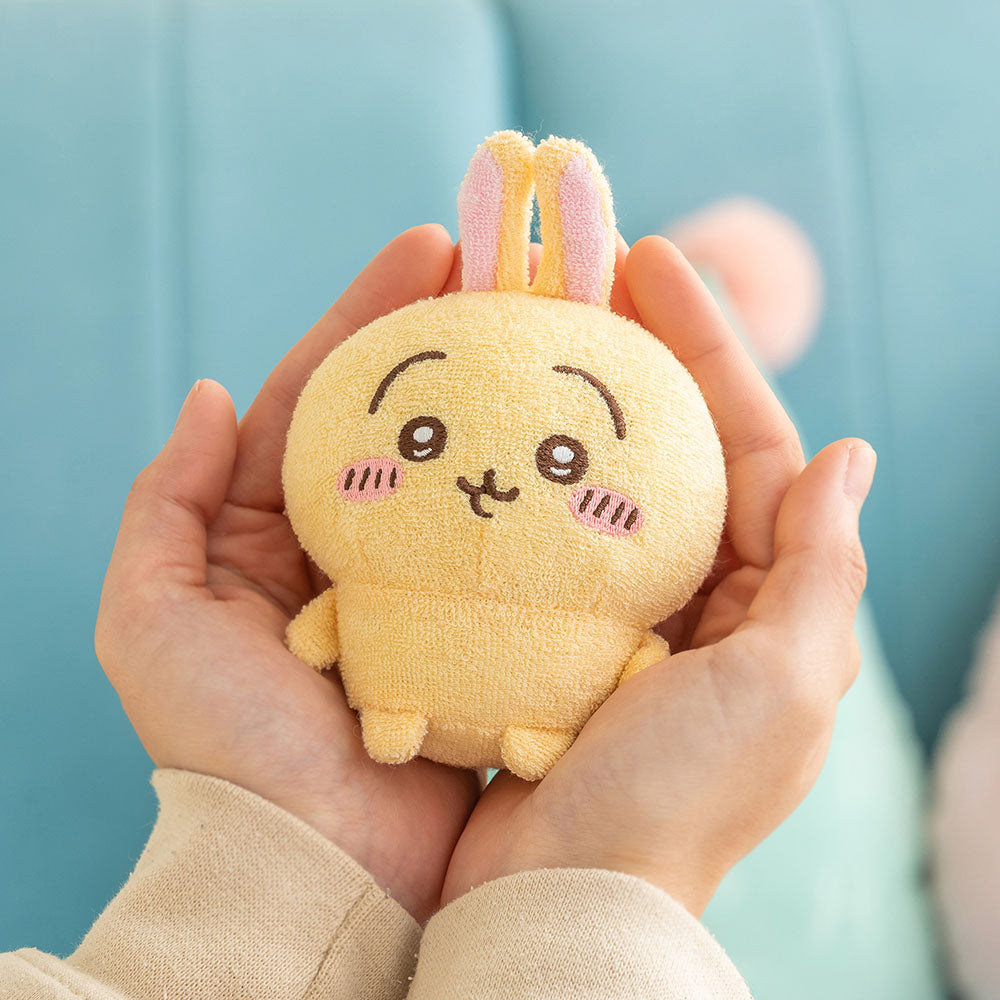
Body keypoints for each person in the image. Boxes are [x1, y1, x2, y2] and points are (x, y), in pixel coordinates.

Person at [0, 226, 875, 999]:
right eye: (421, 438)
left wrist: (285, 844)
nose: (484, 481)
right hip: (388, 684)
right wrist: (611, 878)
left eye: (564, 459)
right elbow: (321, 623)